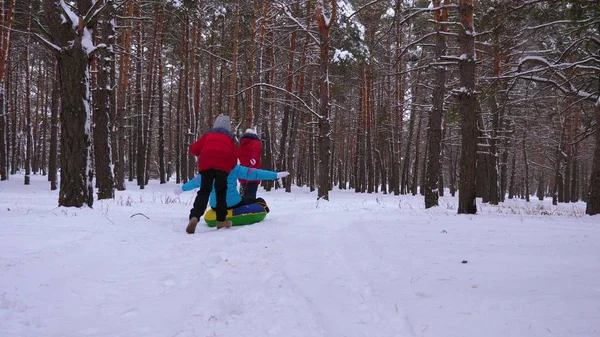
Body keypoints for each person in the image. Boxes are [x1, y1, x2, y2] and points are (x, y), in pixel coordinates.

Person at [186, 114, 237, 233]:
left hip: (206, 164)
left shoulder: (208, 136)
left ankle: (194, 217)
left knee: (204, 191)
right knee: (221, 193)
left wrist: (203, 154)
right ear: (228, 128)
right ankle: (221, 220)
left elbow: (193, 148)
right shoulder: (230, 139)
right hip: (223, 167)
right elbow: (234, 159)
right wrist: (229, 167)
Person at [176, 165, 289, 215]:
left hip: (215, 205)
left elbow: (195, 182)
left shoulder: (207, 171)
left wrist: (182, 188)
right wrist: (275, 175)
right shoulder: (233, 167)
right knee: (255, 199)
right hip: (233, 203)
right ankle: (262, 210)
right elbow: (254, 173)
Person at [237, 128, 262, 198]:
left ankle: (241, 207)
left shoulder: (241, 145)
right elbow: (256, 151)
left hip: (242, 175)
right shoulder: (255, 142)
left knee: (242, 196)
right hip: (253, 174)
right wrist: (254, 159)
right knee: (251, 196)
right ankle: (249, 207)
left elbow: (237, 156)